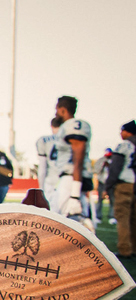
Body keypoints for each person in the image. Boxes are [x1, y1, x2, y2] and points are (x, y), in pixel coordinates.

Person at [50, 96, 92, 226]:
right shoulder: (65, 127)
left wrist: (75, 194)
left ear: (63, 110)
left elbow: (78, 160)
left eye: (57, 109)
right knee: (59, 219)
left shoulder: (73, 125)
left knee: (61, 221)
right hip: (69, 178)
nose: (55, 113)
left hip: (71, 179)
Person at [105, 120, 136, 258]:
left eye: (122, 130)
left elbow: (115, 167)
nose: (120, 133)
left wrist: (109, 185)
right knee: (134, 219)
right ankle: (134, 248)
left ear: (127, 131)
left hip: (125, 184)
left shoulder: (124, 145)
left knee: (123, 218)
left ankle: (125, 249)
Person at [94, 148, 112, 223]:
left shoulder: (113, 160)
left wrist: (109, 166)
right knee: (100, 200)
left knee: (112, 200)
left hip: (111, 182)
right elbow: (96, 170)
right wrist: (103, 165)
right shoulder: (101, 160)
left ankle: (112, 217)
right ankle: (98, 216)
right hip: (101, 182)